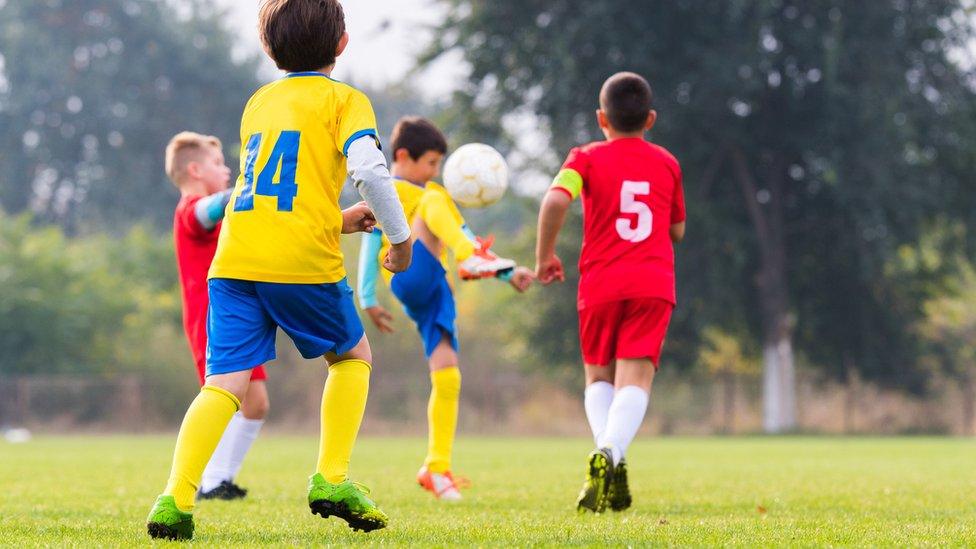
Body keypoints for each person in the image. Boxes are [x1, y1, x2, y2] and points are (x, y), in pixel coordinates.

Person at [146, 0, 412, 539]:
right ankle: (332, 479)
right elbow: (370, 171)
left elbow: (274, 197)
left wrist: (337, 222)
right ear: (342, 43)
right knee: (352, 357)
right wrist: (400, 240)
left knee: (223, 385)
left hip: (235, 261)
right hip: (300, 265)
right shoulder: (346, 100)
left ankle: (175, 501)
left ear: (268, 49)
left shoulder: (259, 103)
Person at [357, 116, 534, 501]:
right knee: (436, 197)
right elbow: (371, 243)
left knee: (448, 374)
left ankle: (437, 468)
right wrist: (366, 297)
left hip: (435, 288)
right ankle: (470, 260)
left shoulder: (435, 199)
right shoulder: (390, 191)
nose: (435, 171)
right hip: (407, 271)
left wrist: (508, 272)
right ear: (403, 155)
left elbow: (463, 235)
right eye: (432, 163)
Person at [534, 71, 686, 514]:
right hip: (653, 283)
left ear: (602, 118)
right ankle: (611, 455)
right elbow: (677, 229)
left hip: (600, 283)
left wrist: (545, 257)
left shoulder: (585, 157)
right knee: (635, 380)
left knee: (598, 378)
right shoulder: (667, 163)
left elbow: (556, 200)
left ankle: (609, 454)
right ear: (651, 119)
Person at [165, 132, 269, 501]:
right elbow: (205, 211)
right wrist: (249, 184)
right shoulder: (191, 209)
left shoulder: (223, 210)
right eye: (218, 164)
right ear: (194, 169)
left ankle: (218, 480)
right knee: (226, 398)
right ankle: (205, 481)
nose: (227, 171)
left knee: (256, 403)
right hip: (208, 320)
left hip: (239, 318)